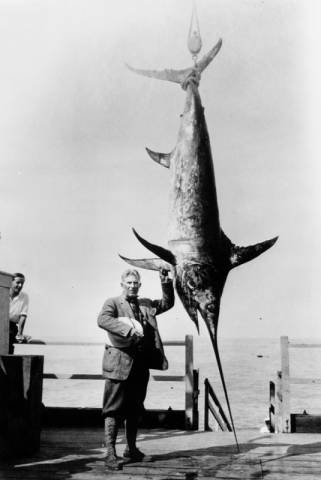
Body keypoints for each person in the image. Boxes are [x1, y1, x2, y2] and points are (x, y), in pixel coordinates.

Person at [97, 267, 174, 470]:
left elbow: (168, 303)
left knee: (135, 409)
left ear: (140, 285)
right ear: (122, 284)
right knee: (113, 409)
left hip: (140, 364)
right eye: (129, 282)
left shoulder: (146, 303)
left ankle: (131, 449)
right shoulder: (112, 302)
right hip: (119, 363)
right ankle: (110, 453)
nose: (132, 286)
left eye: (135, 283)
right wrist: (127, 329)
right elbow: (103, 320)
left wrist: (165, 282)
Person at [9, 273, 29, 354]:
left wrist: (20, 333)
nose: (20, 285)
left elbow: (23, 316)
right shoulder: (2, 292)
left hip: (12, 326)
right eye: (18, 283)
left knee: (9, 342)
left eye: (22, 283)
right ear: (11, 282)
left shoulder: (24, 296)